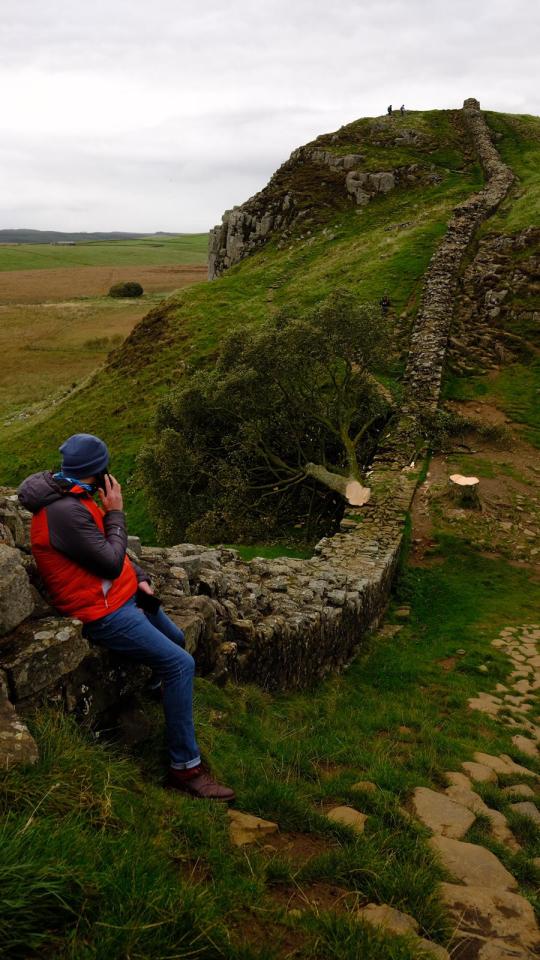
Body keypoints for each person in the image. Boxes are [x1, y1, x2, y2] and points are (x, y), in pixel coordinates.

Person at [18, 433, 235, 802]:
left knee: (178, 642)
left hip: (121, 596)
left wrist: (142, 579)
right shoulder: (65, 512)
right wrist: (117, 511)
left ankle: (158, 692)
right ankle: (186, 769)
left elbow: (108, 550)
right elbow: (108, 558)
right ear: (99, 471)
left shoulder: (76, 496)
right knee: (181, 664)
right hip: (101, 612)